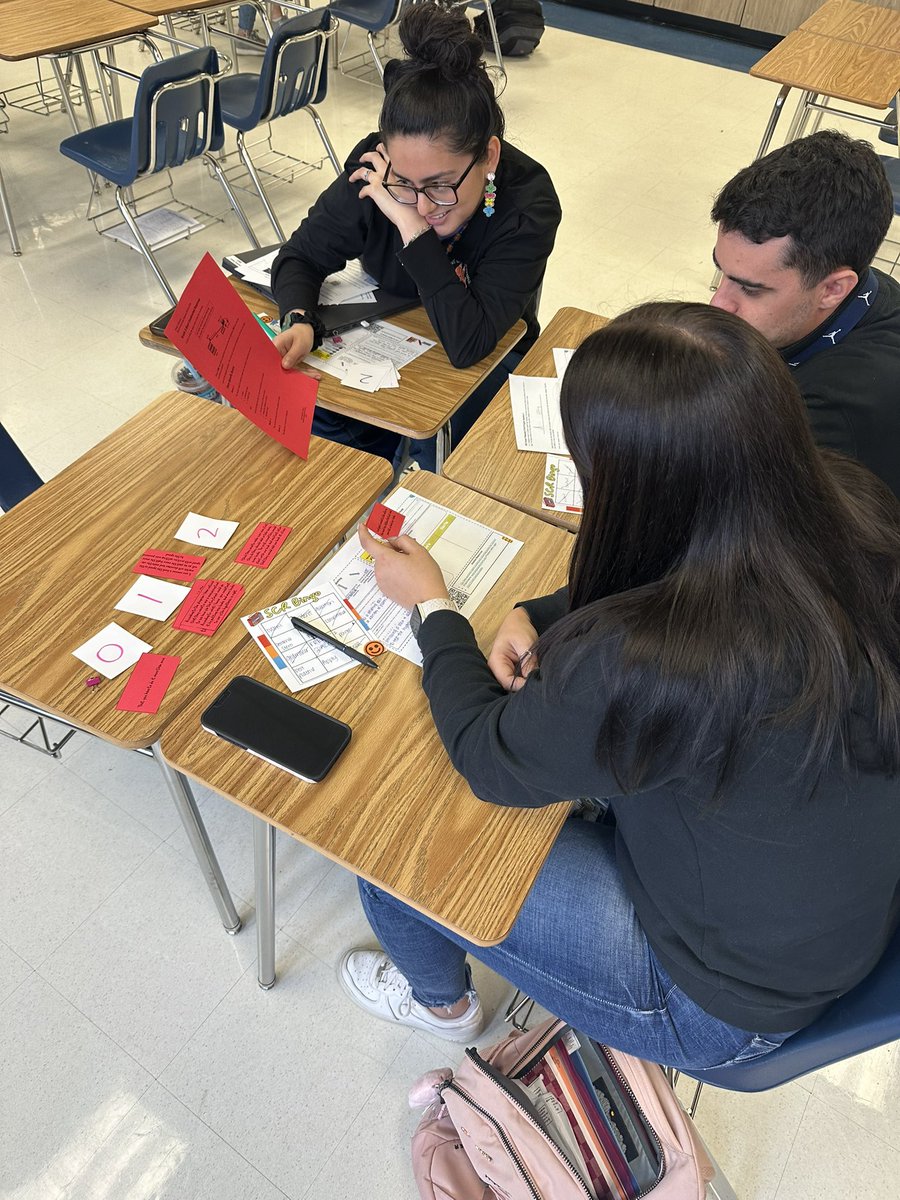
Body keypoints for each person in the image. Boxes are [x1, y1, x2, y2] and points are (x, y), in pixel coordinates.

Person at [338, 302, 900, 1071]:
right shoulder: (849, 504)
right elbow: (685, 568)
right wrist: (539, 611)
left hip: (719, 1003)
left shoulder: (648, 660)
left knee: (388, 840)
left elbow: (488, 757)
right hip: (824, 918)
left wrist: (434, 607)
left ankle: (442, 1005)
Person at [271, 2, 561, 468]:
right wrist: (300, 317)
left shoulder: (528, 204)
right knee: (321, 420)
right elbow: (300, 257)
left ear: (488, 157)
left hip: (484, 357)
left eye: (440, 186)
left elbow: (470, 343)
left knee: (443, 451)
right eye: (405, 182)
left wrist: (409, 224)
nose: (424, 204)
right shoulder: (377, 169)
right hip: (385, 344)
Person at [710, 129, 900, 499]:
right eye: (722, 273)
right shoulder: (864, 284)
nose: (720, 303)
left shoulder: (825, 417)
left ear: (833, 289)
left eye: (750, 288)